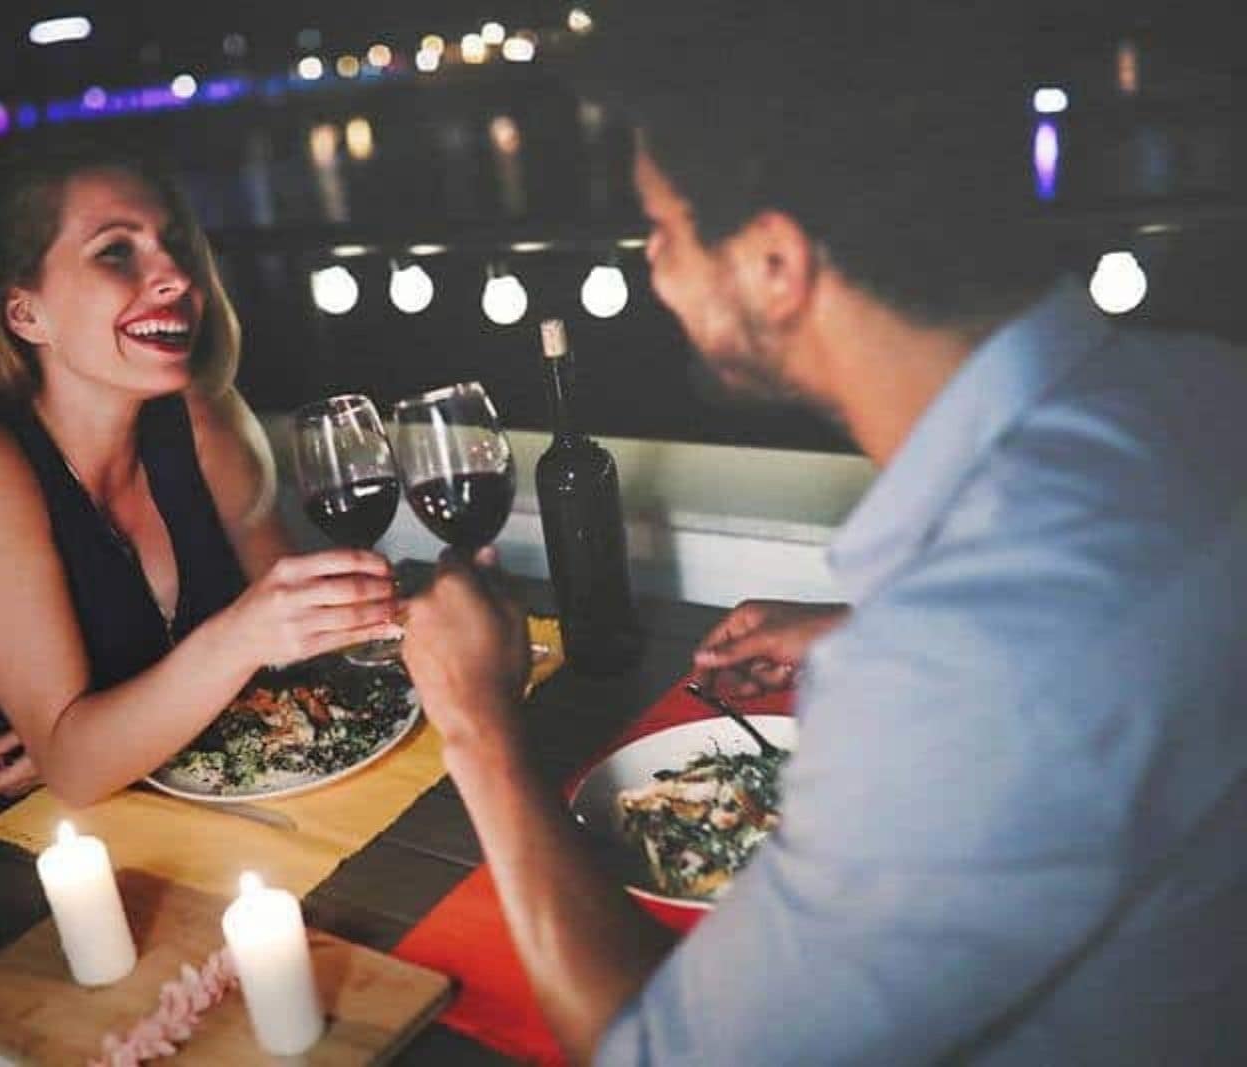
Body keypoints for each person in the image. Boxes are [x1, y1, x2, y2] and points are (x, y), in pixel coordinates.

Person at [400, 6, 1247, 1064]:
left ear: (771, 264)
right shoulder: (1199, 383)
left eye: (662, 229)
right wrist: (873, 626)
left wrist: (476, 722)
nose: (654, 267)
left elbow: (655, 1052)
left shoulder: (968, 658)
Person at [0, 140, 400, 855]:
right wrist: (81, 741)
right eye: (116, 252)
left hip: (200, 819)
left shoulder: (202, 418)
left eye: (174, 246)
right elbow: (76, 769)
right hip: (23, 870)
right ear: (25, 314)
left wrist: (108, 732)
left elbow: (302, 646)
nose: (175, 276)